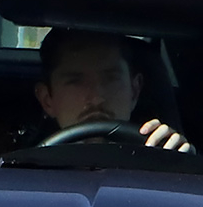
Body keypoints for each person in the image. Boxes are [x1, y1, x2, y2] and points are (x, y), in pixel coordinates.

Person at [33, 28, 193, 152]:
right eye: (76, 82)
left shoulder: (161, 161)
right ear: (47, 100)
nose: (96, 98)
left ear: (135, 91)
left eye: (111, 79)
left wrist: (180, 166)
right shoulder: (19, 175)